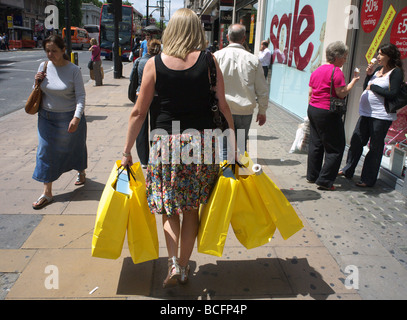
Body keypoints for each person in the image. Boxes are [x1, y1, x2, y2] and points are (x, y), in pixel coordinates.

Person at [121, 8, 234, 288]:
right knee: (192, 209)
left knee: (170, 208)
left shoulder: (153, 63)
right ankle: (183, 268)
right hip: (201, 143)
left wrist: (126, 152)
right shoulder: (210, 61)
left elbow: (138, 112)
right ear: (197, 30)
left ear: (171, 30)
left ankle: (172, 263)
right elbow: (222, 104)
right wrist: (234, 142)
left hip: (165, 142)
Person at [31, 35, 87, 209]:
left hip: (69, 117)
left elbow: (81, 97)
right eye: (47, 50)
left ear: (63, 50)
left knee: (75, 147)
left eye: (54, 51)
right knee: (45, 151)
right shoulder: (44, 66)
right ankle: (47, 192)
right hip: (46, 117)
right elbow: (36, 91)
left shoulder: (73, 70)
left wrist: (76, 118)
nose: (50, 54)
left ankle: (81, 171)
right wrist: (36, 83)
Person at [339, 43, 405, 187]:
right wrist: (369, 76)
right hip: (366, 113)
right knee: (357, 141)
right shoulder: (379, 69)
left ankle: (368, 179)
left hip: (381, 116)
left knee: (375, 147)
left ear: (389, 56)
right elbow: (366, 88)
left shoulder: (396, 72)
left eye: (381, 54)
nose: (378, 57)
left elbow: (393, 93)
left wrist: (373, 86)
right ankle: (348, 170)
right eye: (378, 53)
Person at [307, 41, 360, 191]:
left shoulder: (317, 70)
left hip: (314, 109)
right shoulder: (336, 72)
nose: (345, 60)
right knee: (335, 147)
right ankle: (324, 180)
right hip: (327, 112)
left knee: (316, 144)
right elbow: (341, 93)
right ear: (337, 57)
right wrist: (353, 82)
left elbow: (310, 93)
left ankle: (313, 175)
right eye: (344, 57)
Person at [214, 24, 268, 158]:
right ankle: (239, 175)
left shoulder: (216, 57)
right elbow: (262, 89)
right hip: (244, 111)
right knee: (240, 147)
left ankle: (226, 177)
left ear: (227, 37)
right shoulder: (253, 59)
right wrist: (262, 111)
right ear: (244, 38)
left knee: (224, 147)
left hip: (222, 110)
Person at [132, 39, 162, 168]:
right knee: (155, 126)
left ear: (146, 48)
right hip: (156, 97)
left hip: (141, 95)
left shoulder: (139, 61)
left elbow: (132, 79)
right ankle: (155, 154)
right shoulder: (159, 62)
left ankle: (144, 160)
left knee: (141, 127)